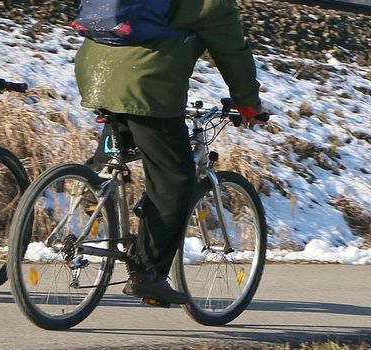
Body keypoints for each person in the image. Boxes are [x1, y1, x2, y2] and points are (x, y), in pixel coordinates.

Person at [74, 0, 267, 304]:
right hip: (146, 84)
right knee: (174, 179)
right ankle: (148, 274)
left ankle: (95, 185)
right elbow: (232, 52)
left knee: (121, 141)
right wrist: (249, 104)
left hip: (94, 72)